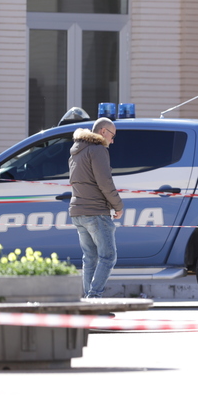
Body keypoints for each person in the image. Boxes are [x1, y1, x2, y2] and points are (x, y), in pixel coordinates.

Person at [68, 117, 124, 298]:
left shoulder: (76, 151)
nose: (113, 141)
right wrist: (118, 205)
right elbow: (105, 182)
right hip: (96, 212)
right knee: (108, 257)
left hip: (78, 211)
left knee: (89, 258)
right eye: (112, 135)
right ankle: (94, 298)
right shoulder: (98, 150)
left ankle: (88, 302)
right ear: (103, 132)